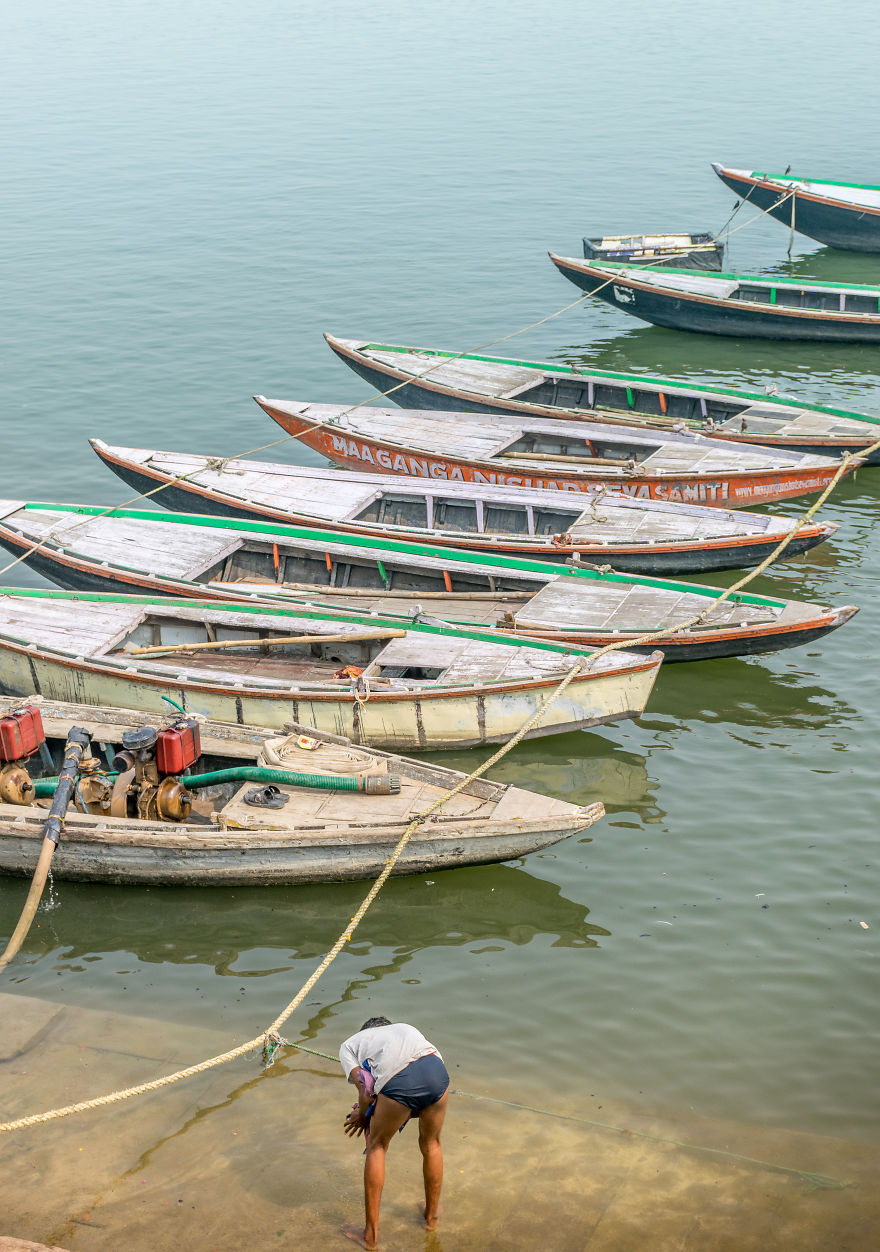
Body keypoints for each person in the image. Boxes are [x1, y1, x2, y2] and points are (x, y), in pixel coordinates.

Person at [339, 1016, 449, 1249]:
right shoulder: (406, 1029)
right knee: (432, 1145)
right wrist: (375, 1110)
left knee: (377, 1148)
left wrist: (362, 1114)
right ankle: (431, 1219)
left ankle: (370, 1237)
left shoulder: (351, 1045)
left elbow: (366, 1092)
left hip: (400, 1081)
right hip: (437, 1073)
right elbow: (411, 1101)